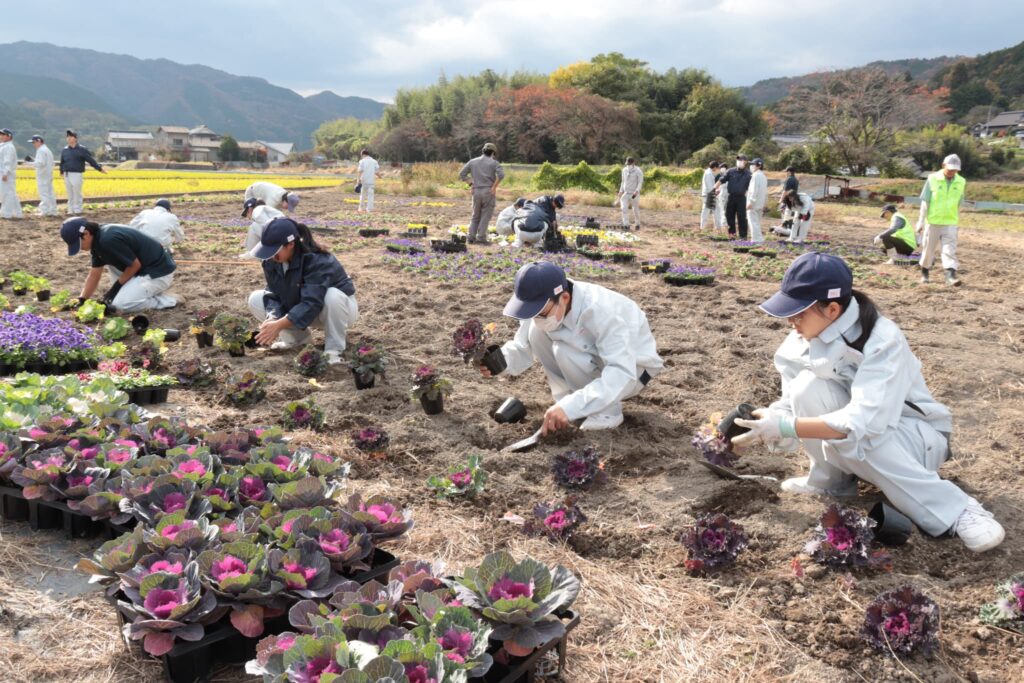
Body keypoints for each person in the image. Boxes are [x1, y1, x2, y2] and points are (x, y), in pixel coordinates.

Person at [732, 252, 1004, 553]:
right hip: (862, 440)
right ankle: (831, 482)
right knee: (806, 388)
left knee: (863, 436)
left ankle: (957, 509)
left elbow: (865, 422)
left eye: (798, 314)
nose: (791, 323)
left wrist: (786, 426)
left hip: (914, 438)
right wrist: (766, 424)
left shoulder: (882, 338)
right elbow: (791, 404)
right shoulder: (799, 340)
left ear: (832, 309)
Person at [482, 262, 662, 432]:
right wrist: (499, 362)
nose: (536, 318)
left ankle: (606, 412)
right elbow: (523, 345)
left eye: (541, 313)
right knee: (536, 332)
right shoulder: (547, 300)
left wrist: (573, 406)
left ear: (565, 298)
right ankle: (568, 401)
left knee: (565, 351)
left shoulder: (602, 313)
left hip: (634, 371)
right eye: (532, 313)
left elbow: (621, 372)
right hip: (602, 363)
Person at [247, 217, 358, 363]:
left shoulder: (317, 261)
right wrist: (273, 318)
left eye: (274, 251)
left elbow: (312, 302)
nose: (271, 256)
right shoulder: (271, 262)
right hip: (303, 310)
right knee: (256, 298)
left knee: (332, 296)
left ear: (291, 244)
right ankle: (297, 341)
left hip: (337, 311)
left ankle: (334, 350)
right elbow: (273, 294)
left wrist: (279, 325)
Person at [60, 217, 177, 312]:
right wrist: (82, 299)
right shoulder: (97, 239)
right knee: (115, 299)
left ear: (86, 234)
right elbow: (94, 275)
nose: (79, 248)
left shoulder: (108, 240)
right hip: (142, 269)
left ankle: (167, 300)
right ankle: (139, 293)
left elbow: (135, 265)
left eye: (78, 243)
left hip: (158, 272)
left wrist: (115, 289)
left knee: (121, 305)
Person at [917, 154, 965, 286]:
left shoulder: (961, 181)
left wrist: (956, 220)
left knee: (950, 250)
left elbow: (958, 203)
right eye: (950, 169)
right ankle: (925, 272)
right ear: (943, 165)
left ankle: (950, 276)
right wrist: (921, 221)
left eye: (955, 170)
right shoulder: (932, 179)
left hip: (950, 222)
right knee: (928, 250)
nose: (952, 172)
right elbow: (925, 202)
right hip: (933, 222)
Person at [458, 142, 505, 245]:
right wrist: (494, 187)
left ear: (483, 151)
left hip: (476, 191)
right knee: (485, 215)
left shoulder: (473, 161)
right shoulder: (494, 163)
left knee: (475, 215)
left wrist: (471, 183)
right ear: (493, 153)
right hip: (488, 191)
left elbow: (462, 174)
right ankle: (481, 238)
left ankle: (471, 237)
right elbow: (501, 175)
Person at [60, 130, 106, 214]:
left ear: (75, 138)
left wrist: (99, 168)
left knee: (77, 193)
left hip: (77, 174)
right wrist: (61, 171)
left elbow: (90, 160)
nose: (68, 138)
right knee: (70, 193)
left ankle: (77, 209)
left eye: (71, 136)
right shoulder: (65, 150)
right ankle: (70, 210)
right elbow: (62, 161)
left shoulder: (82, 149)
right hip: (67, 174)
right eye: (67, 137)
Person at [714, 154, 752, 238]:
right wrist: (714, 188)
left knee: (742, 217)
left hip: (742, 198)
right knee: (729, 216)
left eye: (741, 160)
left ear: (745, 162)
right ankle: (732, 234)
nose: (739, 162)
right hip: (731, 197)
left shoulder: (748, 174)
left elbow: (752, 188)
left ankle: (743, 236)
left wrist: (751, 200)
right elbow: (721, 180)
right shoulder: (730, 171)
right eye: (738, 160)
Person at [29, 135, 57, 216]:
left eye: (34, 142)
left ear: (39, 141)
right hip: (47, 174)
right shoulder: (46, 150)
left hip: (43, 175)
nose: (33, 144)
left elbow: (40, 163)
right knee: (50, 193)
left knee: (44, 193)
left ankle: (45, 211)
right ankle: (52, 210)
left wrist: (30, 163)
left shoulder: (41, 150)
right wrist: (34, 160)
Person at [0, 128, 22, 219]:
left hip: (6, 173)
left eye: (3, 134)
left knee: (7, 193)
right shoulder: (3, 146)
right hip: (3, 172)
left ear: (9, 136)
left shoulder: (8, 147)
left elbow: (8, 161)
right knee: (10, 193)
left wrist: (5, 173)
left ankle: (6, 213)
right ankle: (17, 213)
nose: (1, 136)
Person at [617, 157, 643, 230]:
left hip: (634, 194)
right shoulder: (624, 170)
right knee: (623, 208)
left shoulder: (638, 171)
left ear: (633, 163)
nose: (628, 165)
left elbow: (640, 182)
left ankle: (637, 223)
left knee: (635, 210)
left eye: (630, 164)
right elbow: (623, 181)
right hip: (626, 193)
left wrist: (637, 191)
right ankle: (626, 224)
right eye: (627, 164)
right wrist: (620, 191)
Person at [745, 157, 768, 242]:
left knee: (753, 222)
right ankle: (759, 238)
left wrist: (751, 201)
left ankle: (755, 239)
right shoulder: (763, 176)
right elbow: (765, 191)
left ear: (759, 166)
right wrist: (765, 203)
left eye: (753, 165)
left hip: (754, 203)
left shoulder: (755, 176)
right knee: (757, 222)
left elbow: (754, 190)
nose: (751, 166)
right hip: (760, 203)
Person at [699, 161, 720, 231]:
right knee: (707, 211)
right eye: (717, 168)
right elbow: (709, 186)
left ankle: (717, 227)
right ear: (714, 167)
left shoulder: (709, 172)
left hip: (710, 194)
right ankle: (703, 227)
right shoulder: (708, 174)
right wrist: (716, 191)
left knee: (714, 210)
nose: (717, 170)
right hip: (709, 194)